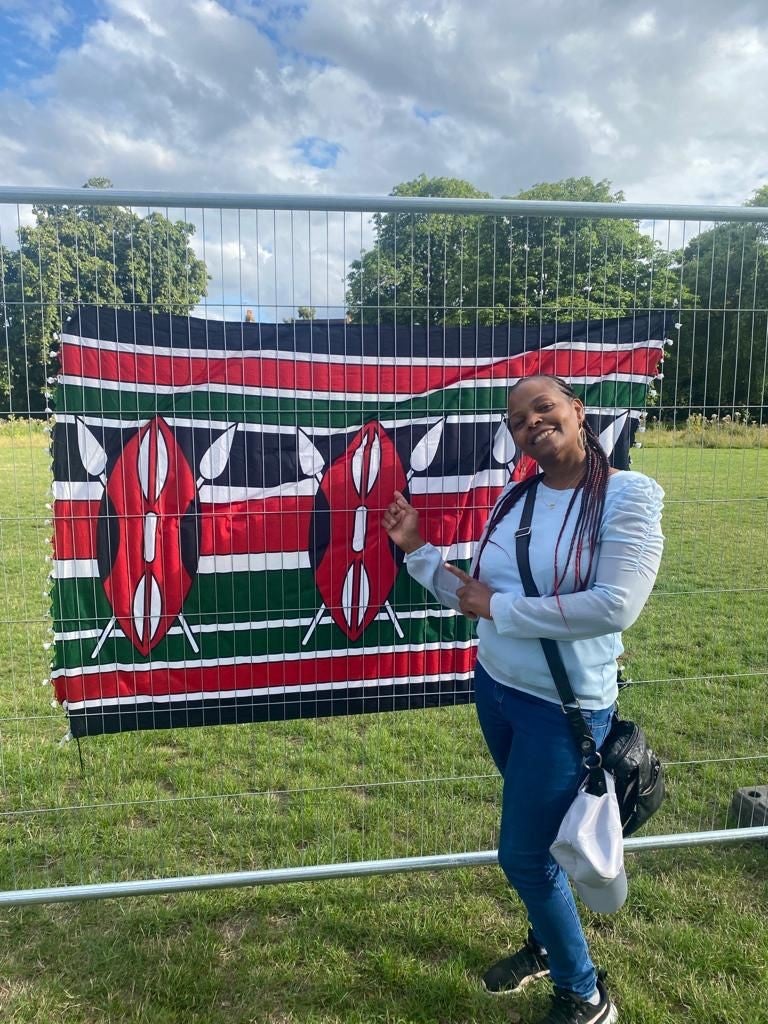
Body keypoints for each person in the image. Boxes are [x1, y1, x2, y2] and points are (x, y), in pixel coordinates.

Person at [382, 374, 664, 1024]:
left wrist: (500, 606)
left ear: (577, 410)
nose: (531, 421)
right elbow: (478, 598)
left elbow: (616, 606)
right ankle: (545, 942)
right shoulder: (515, 500)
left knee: (524, 856)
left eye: (544, 406)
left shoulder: (628, 496)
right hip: (498, 691)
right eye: (516, 419)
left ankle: (585, 995)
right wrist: (420, 552)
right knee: (542, 842)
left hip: (563, 714)